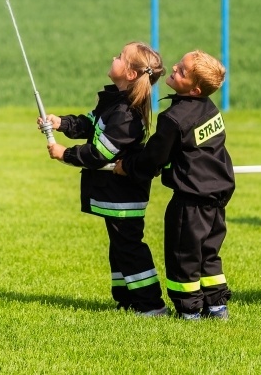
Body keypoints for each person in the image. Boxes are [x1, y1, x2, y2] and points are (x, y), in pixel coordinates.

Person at [39, 42, 168, 316]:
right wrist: (60, 123)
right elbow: (90, 123)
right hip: (112, 193)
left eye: (120, 57)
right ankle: (126, 300)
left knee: (130, 248)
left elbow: (100, 153)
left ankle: (151, 305)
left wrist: (65, 154)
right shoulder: (114, 102)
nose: (114, 57)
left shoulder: (127, 115)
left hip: (124, 195)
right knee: (120, 248)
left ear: (131, 74)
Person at [114, 50, 235, 320]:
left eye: (182, 71)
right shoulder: (209, 108)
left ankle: (189, 311)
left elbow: (152, 159)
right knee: (208, 254)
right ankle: (217, 307)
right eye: (180, 63)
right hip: (216, 198)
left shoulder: (174, 119)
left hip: (190, 201)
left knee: (183, 257)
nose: (175, 68)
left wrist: (128, 166)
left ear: (193, 89)